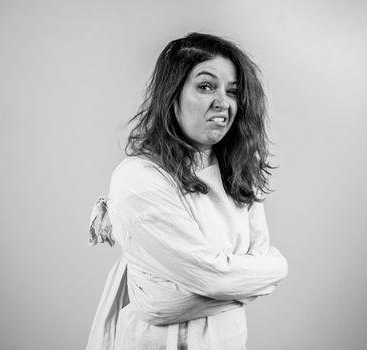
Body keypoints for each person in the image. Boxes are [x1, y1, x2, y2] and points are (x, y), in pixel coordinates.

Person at [86, 32, 288, 350]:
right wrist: (267, 271)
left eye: (232, 91)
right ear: (172, 93)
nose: (223, 102)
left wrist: (226, 277)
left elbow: (191, 287)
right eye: (206, 86)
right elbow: (168, 301)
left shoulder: (239, 174)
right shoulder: (137, 178)